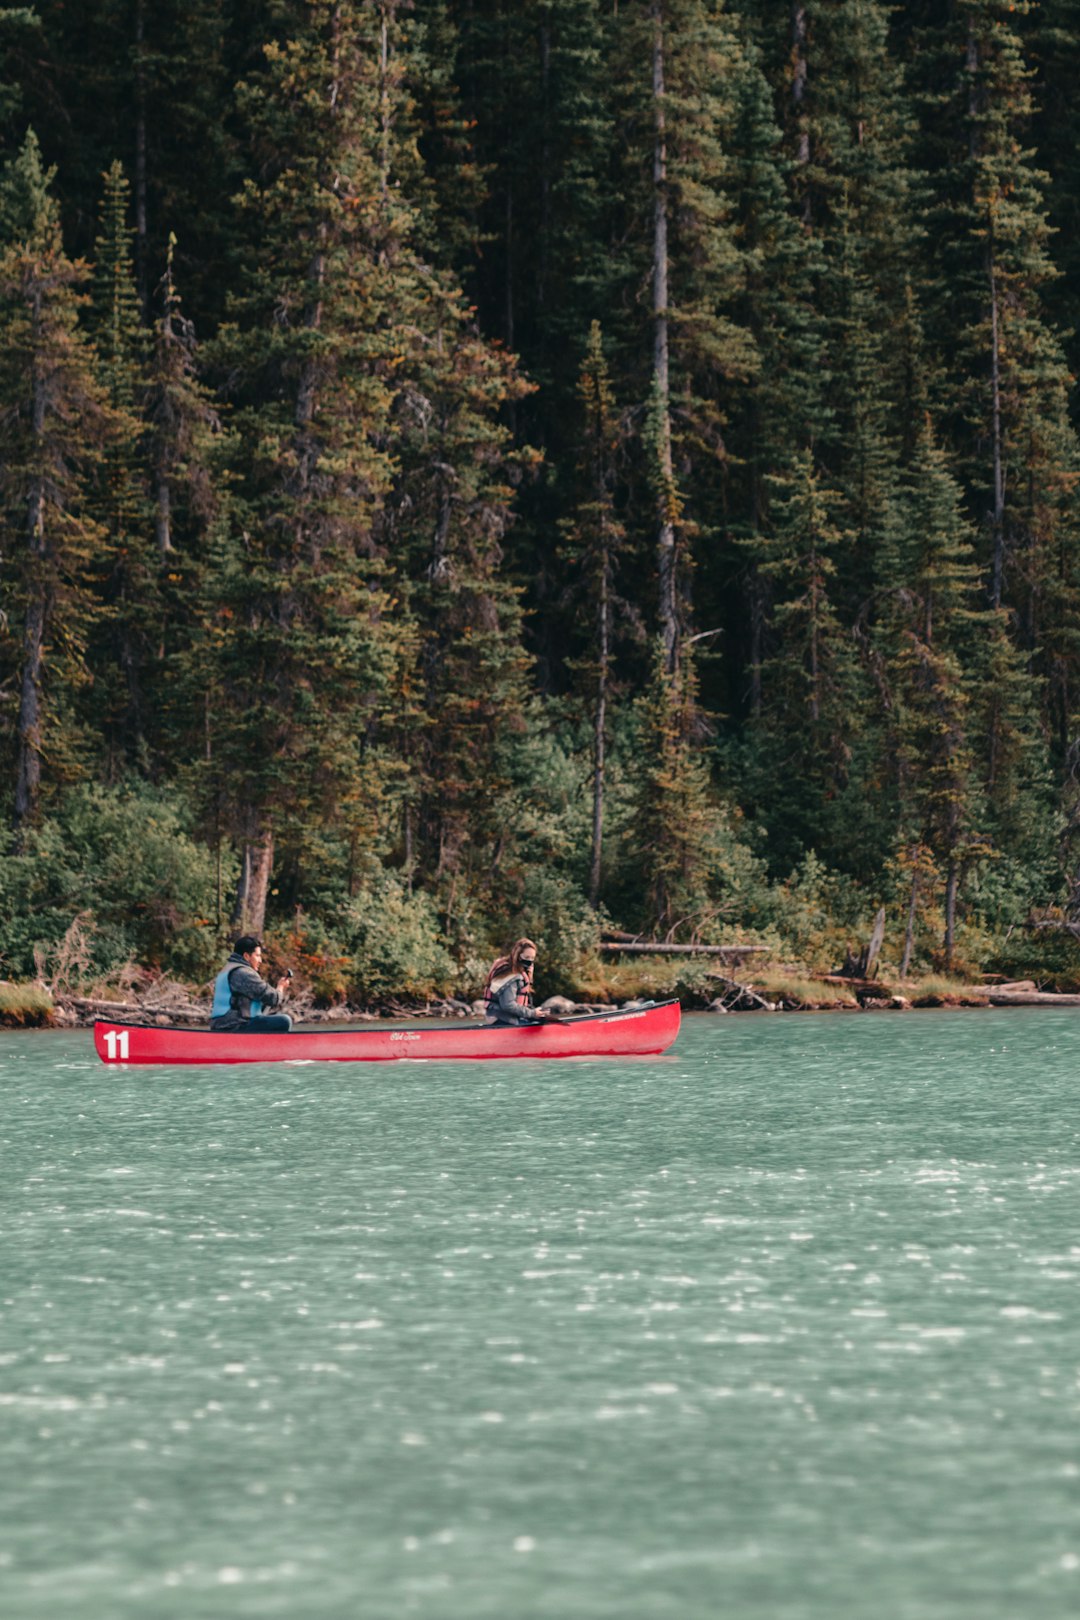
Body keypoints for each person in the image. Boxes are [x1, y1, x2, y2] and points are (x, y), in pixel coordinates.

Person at [210, 936, 293, 1033]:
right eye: (257, 956)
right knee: (284, 1021)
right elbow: (273, 998)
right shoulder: (243, 973)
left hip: (221, 1025)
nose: (260, 960)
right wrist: (281, 986)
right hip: (234, 1026)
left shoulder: (227, 969)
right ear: (246, 956)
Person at [483, 937, 555, 1026]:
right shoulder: (510, 974)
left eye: (532, 958)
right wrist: (532, 1013)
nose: (530, 960)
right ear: (518, 956)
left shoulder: (521, 971)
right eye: (527, 957)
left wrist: (535, 1012)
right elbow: (507, 1005)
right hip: (499, 1018)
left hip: (507, 1016)